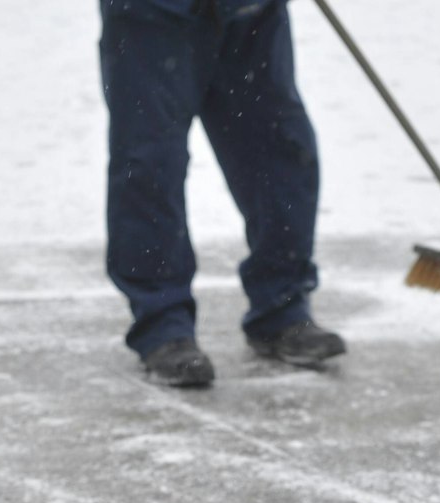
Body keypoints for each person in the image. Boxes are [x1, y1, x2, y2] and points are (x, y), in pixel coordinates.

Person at [100, 0, 347, 387]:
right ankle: (163, 324)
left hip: (250, 11)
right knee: (150, 162)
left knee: (280, 148)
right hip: (153, 13)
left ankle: (282, 305)